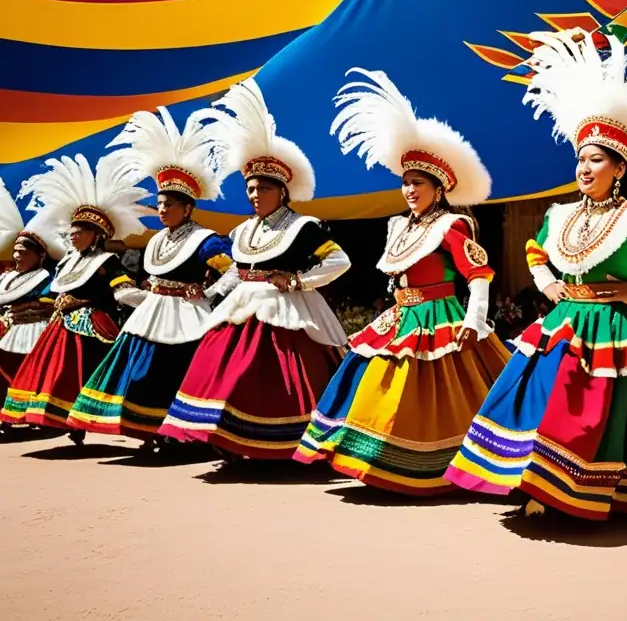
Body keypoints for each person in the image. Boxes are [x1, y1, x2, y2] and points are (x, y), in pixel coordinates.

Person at [446, 29, 627, 519]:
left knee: (603, 413)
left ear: (619, 168)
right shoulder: (558, 214)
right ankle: (537, 483)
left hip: (614, 325)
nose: (584, 167)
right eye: (580, 158)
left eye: (595, 159)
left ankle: (601, 488)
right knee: (539, 401)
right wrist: (548, 283)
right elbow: (534, 252)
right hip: (563, 323)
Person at [293, 68, 509, 493]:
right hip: (401, 316)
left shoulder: (453, 226)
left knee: (439, 396)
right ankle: (374, 460)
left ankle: (435, 466)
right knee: (376, 382)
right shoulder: (398, 227)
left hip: (440, 316)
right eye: (406, 182)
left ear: (439, 188)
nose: (410, 189)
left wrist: (474, 320)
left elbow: (479, 275)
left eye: (419, 183)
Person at [158, 79, 352, 460]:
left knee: (286, 376)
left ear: (282, 191)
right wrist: (212, 294)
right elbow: (236, 271)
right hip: (242, 308)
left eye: (263, 189)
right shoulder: (243, 229)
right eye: (250, 189)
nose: (254, 195)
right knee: (224, 369)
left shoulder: (303, 226)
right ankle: (230, 439)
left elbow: (339, 261)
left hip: (288, 311)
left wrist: (299, 280)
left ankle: (290, 445)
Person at [67, 108, 234, 448]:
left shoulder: (205, 240)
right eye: (159, 203)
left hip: (188, 316)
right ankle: (146, 428)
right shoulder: (155, 239)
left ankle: (181, 433)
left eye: (170, 204)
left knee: (177, 370)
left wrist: (207, 291)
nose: (162, 210)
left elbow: (232, 271)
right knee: (139, 369)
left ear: (187, 208)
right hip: (152, 312)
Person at [0, 154, 149, 442]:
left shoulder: (108, 262)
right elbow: (56, 291)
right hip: (60, 327)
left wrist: (154, 300)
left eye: (79, 232)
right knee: (50, 375)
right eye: (71, 231)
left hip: (89, 329)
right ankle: (54, 419)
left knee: (80, 375)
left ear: (96, 235)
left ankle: (79, 421)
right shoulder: (67, 262)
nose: (73, 236)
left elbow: (122, 292)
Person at [0, 181, 60, 422]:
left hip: (31, 332)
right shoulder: (8, 277)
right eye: (15, 250)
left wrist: (20, 312)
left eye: (23, 251)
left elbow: (47, 305)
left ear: (40, 255)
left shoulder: (47, 279)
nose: (17, 255)